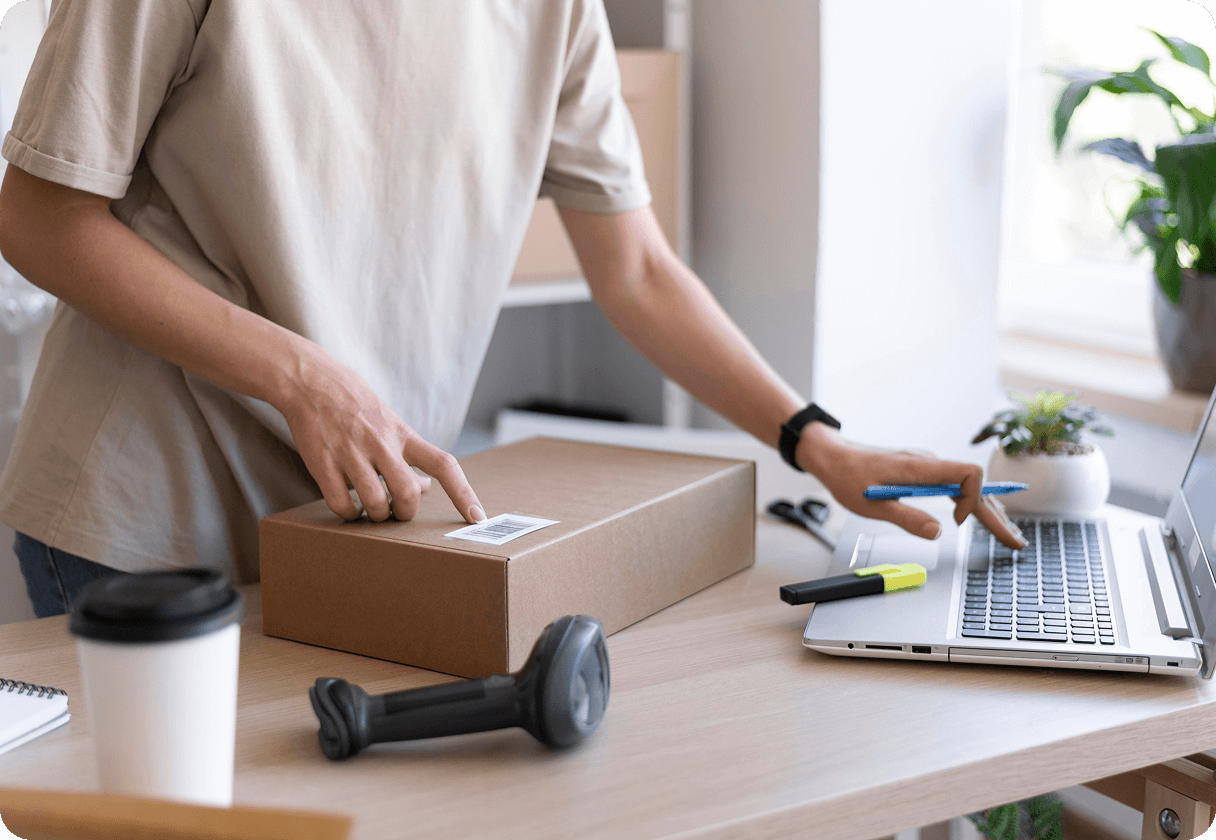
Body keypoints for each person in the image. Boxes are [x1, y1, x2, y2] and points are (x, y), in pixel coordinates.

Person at [0, 0, 1024, 618]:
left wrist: (814, 440)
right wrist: (299, 373)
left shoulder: (552, 13)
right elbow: (41, 218)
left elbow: (635, 271)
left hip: (354, 527)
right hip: (139, 510)